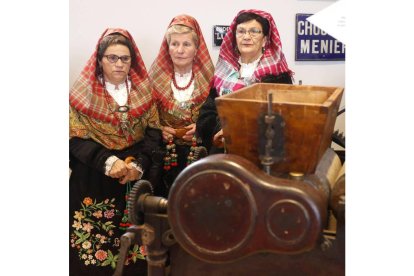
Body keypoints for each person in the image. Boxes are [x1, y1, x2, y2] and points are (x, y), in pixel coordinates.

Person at [69, 28, 162, 275]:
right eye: (112, 58)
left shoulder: (145, 92)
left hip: (134, 179)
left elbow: (154, 134)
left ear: (132, 61)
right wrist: (107, 161)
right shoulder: (81, 94)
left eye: (125, 58)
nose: (119, 64)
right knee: (93, 248)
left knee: (136, 250)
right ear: (100, 60)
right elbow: (74, 139)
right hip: (93, 178)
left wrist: (138, 165)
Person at [196, 9, 294, 154]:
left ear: (265, 40)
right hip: (222, 149)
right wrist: (221, 130)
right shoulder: (224, 72)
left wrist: (237, 131)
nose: (246, 37)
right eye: (241, 31)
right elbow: (207, 113)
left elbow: (283, 120)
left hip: (260, 154)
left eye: (254, 31)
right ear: (234, 36)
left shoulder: (278, 76)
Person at [148, 14, 214, 197]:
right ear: (167, 48)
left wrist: (201, 127)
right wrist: (160, 128)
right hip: (164, 158)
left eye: (186, 44)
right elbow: (144, 118)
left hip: (201, 156)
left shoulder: (212, 79)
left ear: (196, 48)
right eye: (174, 44)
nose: (180, 50)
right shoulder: (153, 79)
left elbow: (217, 116)